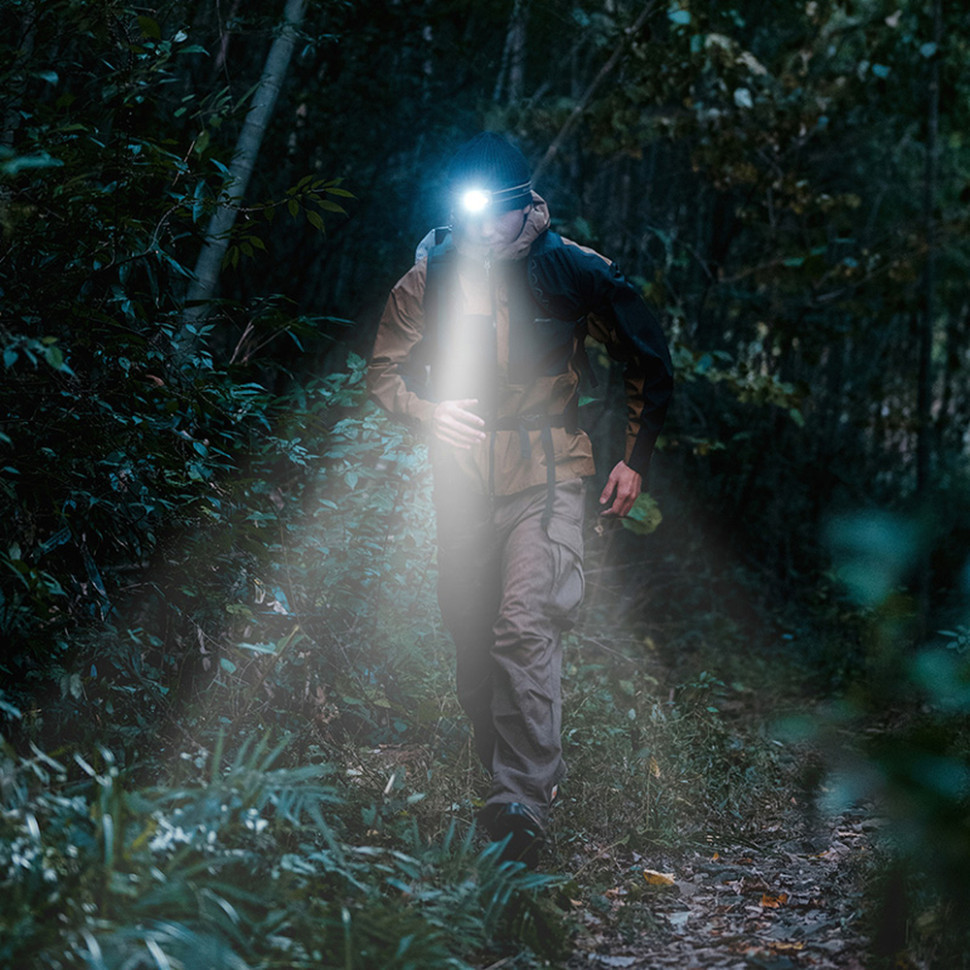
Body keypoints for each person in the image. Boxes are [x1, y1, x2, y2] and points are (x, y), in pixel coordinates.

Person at [368, 132, 673, 866]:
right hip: (462, 477)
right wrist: (427, 412)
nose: (481, 230)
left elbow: (649, 359)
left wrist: (634, 460)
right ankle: (499, 768)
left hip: (548, 472)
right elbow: (383, 374)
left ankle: (522, 805)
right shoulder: (431, 276)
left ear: (523, 208)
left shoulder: (570, 269)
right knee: (471, 633)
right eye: (467, 216)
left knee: (524, 621)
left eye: (494, 215)